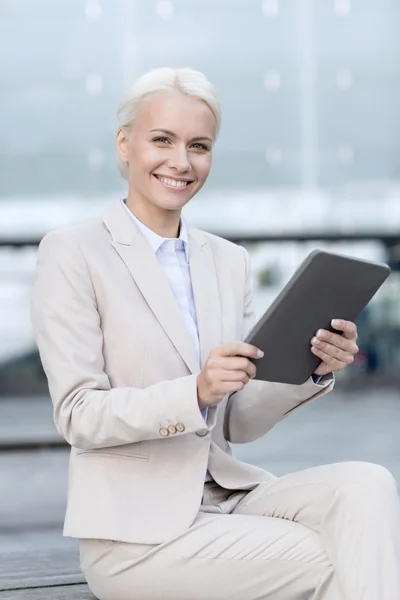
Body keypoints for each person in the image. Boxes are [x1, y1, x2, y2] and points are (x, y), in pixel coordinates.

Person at [31, 67, 400, 600]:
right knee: (340, 553)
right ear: (125, 143)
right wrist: (195, 391)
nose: (181, 162)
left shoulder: (228, 261)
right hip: (136, 536)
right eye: (163, 140)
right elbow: (79, 414)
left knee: (369, 486)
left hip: (227, 496)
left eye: (199, 146)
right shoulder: (74, 253)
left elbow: (239, 422)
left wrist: (313, 367)